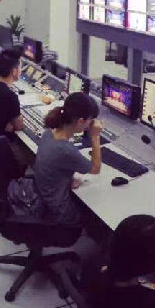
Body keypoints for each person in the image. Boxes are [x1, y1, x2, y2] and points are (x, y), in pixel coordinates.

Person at [32, 92, 102, 224]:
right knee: (96, 212)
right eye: (90, 120)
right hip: (60, 212)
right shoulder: (65, 150)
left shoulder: (49, 133)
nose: (91, 124)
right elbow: (95, 168)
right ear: (80, 121)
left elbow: (55, 167)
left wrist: (67, 180)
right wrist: (95, 136)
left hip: (44, 197)